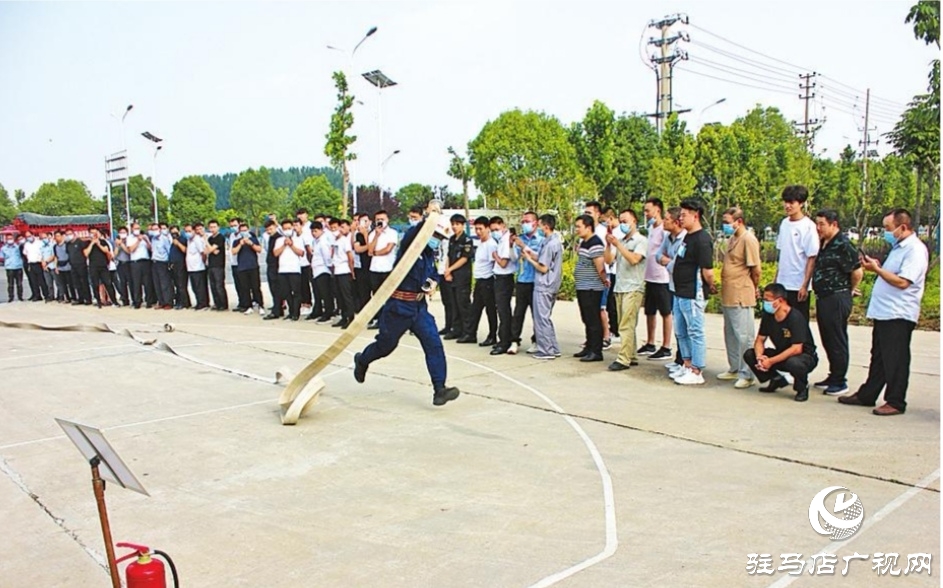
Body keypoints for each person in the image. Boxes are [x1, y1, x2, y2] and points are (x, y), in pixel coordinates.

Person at [352, 214, 460, 407]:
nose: (438, 241)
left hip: (419, 308)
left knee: (433, 344)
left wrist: (432, 283)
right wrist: (430, 218)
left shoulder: (428, 255)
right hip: (398, 308)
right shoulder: (409, 248)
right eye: (436, 235)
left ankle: (439, 389)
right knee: (386, 346)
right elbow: (414, 233)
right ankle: (363, 360)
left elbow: (434, 274)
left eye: (441, 238)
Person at [839, 209, 929, 416]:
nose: (885, 232)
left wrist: (877, 270)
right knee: (879, 356)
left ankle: (896, 401)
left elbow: (903, 281)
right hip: (884, 312)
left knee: (895, 359)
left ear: (902, 227)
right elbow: (893, 274)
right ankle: (867, 394)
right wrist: (878, 266)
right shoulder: (898, 248)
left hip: (898, 313)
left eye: (888, 228)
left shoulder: (914, 250)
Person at [811, 209, 863, 396]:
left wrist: (848, 290)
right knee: (827, 337)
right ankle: (833, 375)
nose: (818, 228)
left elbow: (857, 272)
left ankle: (840, 380)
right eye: (817, 224)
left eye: (822, 224)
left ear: (834, 224)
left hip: (837, 296)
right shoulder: (824, 243)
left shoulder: (843, 244)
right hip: (823, 297)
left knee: (837, 338)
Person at [744, 283, 818, 402]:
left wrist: (771, 361)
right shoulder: (769, 316)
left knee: (794, 362)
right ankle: (776, 379)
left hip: (803, 357)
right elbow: (760, 340)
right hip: (781, 353)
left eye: (767, 300)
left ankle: (802, 388)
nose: (765, 303)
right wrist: (760, 358)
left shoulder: (795, 317)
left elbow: (796, 349)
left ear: (780, 300)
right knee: (749, 354)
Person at [670, 198, 717, 386]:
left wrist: (711, 285)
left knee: (695, 331)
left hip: (693, 291)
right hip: (679, 291)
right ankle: (687, 364)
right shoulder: (688, 237)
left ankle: (697, 370)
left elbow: (708, 270)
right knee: (681, 331)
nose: (680, 218)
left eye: (684, 215)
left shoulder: (703, 240)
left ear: (695, 216)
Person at [717, 207, 762, 389]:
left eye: (728, 222)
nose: (725, 225)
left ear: (739, 221)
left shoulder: (748, 239)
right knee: (731, 334)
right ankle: (734, 367)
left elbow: (756, 270)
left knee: (744, 336)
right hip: (729, 292)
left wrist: (754, 287)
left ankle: (747, 373)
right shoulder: (732, 239)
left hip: (742, 292)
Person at [604, 209, 647, 371]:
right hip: (620, 286)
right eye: (620, 221)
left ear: (634, 221)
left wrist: (618, 245)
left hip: (634, 286)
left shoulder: (641, 240)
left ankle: (623, 358)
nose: (622, 224)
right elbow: (609, 259)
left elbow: (634, 259)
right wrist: (609, 244)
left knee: (626, 324)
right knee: (626, 322)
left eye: (625, 221)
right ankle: (631, 354)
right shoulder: (621, 240)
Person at [522, 214, 563, 360]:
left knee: (541, 318)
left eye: (539, 225)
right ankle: (552, 346)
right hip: (551, 284)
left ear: (546, 226)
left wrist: (528, 260)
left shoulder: (550, 244)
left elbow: (543, 267)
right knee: (545, 317)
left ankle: (546, 350)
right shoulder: (552, 242)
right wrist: (531, 254)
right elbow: (541, 257)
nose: (538, 228)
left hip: (544, 285)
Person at [775, 185, 819, 322]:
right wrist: (776, 280)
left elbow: (812, 257)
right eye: (786, 202)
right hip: (783, 283)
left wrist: (805, 285)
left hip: (797, 284)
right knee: (783, 321)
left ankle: (805, 345)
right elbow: (782, 254)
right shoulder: (784, 224)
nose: (787, 206)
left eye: (791, 203)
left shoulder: (808, 226)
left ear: (801, 204)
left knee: (799, 322)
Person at [640, 197, 674, 360]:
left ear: (657, 210)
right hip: (650, 277)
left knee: (666, 312)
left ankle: (666, 346)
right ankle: (650, 342)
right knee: (649, 311)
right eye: (645, 211)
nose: (646, 214)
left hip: (662, 278)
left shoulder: (664, 229)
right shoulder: (651, 228)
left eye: (648, 210)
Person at [573, 214, 608, 362]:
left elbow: (599, 265)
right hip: (583, 286)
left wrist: (604, 279)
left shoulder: (595, 243)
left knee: (593, 319)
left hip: (592, 288)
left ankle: (596, 350)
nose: (576, 230)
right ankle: (589, 346)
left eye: (579, 227)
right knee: (586, 318)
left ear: (588, 227)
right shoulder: (585, 242)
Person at [457, 216, 497, 345]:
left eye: (480, 229)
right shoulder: (480, 244)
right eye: (476, 229)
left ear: (487, 229)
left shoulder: (491, 244)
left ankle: (492, 336)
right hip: (479, 280)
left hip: (487, 281)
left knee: (490, 310)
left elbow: (494, 264)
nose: (478, 231)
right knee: (475, 309)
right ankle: (471, 334)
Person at [658, 207, 687, 376]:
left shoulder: (685, 239)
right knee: (679, 328)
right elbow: (657, 256)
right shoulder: (668, 238)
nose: (664, 221)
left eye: (667, 219)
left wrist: (667, 262)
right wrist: (669, 262)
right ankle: (679, 359)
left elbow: (679, 265)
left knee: (688, 328)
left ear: (676, 222)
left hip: (685, 288)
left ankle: (688, 363)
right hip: (673, 285)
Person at [509, 211, 543, 354]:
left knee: (537, 314)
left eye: (527, 221)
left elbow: (540, 258)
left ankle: (537, 340)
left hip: (536, 281)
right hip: (522, 280)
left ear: (535, 223)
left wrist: (523, 246)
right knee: (518, 313)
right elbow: (514, 258)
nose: (524, 224)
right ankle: (514, 340)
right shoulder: (520, 238)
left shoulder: (541, 239)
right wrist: (511, 246)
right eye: (523, 222)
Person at [583, 201, 613, 349]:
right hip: (588, 276)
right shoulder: (586, 231)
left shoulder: (603, 232)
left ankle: (606, 335)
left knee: (600, 307)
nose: (586, 215)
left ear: (598, 214)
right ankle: (592, 339)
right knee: (589, 309)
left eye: (589, 213)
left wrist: (604, 276)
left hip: (601, 273)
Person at [268, 218, 305, 321]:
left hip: (294, 269)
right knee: (286, 292)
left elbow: (301, 253)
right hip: (282, 270)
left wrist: (291, 244)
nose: (287, 230)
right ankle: (291, 311)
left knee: (296, 292)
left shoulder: (298, 239)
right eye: (285, 228)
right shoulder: (279, 240)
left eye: (289, 228)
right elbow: (275, 253)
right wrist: (284, 244)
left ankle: (296, 313)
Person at [489, 216, 516, 355]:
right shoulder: (500, 240)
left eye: (496, 229)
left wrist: (495, 256)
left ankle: (504, 341)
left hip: (504, 278)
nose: (494, 232)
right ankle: (505, 339)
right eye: (492, 230)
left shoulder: (506, 240)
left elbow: (504, 263)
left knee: (503, 311)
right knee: (502, 310)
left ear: (503, 226)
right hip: (499, 277)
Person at [443, 214, 473, 340]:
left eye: (457, 224)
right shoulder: (452, 239)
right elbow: (449, 256)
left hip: (462, 276)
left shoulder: (467, 240)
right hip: (452, 276)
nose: (455, 227)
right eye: (453, 224)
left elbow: (464, 258)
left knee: (463, 304)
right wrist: (447, 271)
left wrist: (450, 269)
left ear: (463, 225)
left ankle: (468, 332)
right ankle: (456, 329)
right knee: (453, 303)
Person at [367, 210, 398, 329]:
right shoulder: (372, 234)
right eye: (377, 219)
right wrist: (376, 235)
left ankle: (391, 320)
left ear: (387, 220)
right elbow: (369, 250)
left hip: (388, 268)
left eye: (382, 219)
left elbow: (388, 249)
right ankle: (379, 319)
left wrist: (375, 252)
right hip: (375, 268)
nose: (380, 221)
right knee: (376, 295)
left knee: (389, 295)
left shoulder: (392, 233)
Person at [232, 221, 264, 315]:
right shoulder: (236, 241)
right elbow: (233, 252)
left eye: (245, 230)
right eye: (242, 231)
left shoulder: (253, 239)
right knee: (245, 288)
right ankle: (248, 306)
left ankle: (260, 305)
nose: (244, 232)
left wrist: (251, 244)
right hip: (242, 267)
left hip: (253, 266)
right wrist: (240, 244)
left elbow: (259, 250)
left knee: (256, 287)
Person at [307, 221, 335, 322]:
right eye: (312, 231)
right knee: (318, 293)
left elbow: (327, 256)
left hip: (323, 270)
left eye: (315, 231)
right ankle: (320, 311)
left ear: (321, 230)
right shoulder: (316, 241)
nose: (313, 233)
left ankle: (328, 313)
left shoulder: (323, 242)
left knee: (325, 293)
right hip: (316, 270)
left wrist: (330, 268)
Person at [331, 219, 356, 329]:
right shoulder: (336, 241)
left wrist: (352, 271)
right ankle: (343, 316)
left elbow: (350, 256)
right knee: (339, 296)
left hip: (344, 270)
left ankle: (350, 317)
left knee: (346, 296)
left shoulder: (345, 241)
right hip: (336, 270)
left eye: (340, 227)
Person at [84, 227, 116, 308]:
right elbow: (86, 253)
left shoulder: (103, 242)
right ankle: (98, 301)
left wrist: (98, 243)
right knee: (95, 284)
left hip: (103, 266)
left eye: (95, 233)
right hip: (93, 266)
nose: (94, 235)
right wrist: (92, 243)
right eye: (92, 233)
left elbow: (106, 250)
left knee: (108, 283)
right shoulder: (87, 243)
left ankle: (114, 301)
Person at [262, 220, 285, 320]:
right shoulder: (270, 237)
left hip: (276, 266)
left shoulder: (279, 237)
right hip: (270, 265)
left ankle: (276, 310)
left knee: (276, 289)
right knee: (273, 288)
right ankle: (278, 308)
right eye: (267, 230)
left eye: (271, 229)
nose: (269, 231)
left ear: (275, 227)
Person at [205, 220, 229, 311]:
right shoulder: (210, 239)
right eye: (211, 227)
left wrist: (205, 240)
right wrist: (211, 249)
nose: (212, 229)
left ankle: (223, 304)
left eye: (214, 227)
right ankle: (217, 303)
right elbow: (207, 251)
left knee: (219, 285)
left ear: (218, 227)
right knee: (213, 285)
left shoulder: (220, 237)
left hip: (218, 265)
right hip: (211, 264)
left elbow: (211, 249)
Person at [150, 223, 174, 309]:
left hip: (163, 263)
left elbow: (169, 251)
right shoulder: (153, 239)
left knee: (165, 284)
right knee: (157, 283)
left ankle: (168, 302)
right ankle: (161, 302)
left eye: (156, 229)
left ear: (160, 229)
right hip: (154, 262)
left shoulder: (164, 239)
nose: (154, 231)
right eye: (153, 229)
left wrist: (170, 263)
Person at [186, 222, 210, 310]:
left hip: (198, 267)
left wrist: (203, 262)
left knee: (200, 287)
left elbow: (202, 252)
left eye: (189, 231)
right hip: (191, 267)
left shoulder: (197, 239)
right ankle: (198, 302)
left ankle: (203, 303)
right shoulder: (189, 240)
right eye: (186, 231)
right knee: (194, 287)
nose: (188, 233)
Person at [352, 213, 373, 311]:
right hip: (362, 266)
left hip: (373, 265)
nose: (364, 223)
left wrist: (366, 235)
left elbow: (371, 249)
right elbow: (357, 249)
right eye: (362, 221)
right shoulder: (358, 235)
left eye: (366, 221)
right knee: (363, 292)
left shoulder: (374, 233)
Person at [293, 216, 314, 311]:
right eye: (294, 225)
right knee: (299, 285)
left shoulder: (305, 236)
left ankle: (307, 303)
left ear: (301, 226)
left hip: (305, 263)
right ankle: (302, 302)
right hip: (296, 264)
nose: (295, 227)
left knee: (305, 284)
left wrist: (310, 262)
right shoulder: (293, 237)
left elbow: (308, 250)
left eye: (297, 225)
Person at [66, 228, 91, 305]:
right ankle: (80, 298)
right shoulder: (68, 244)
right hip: (73, 266)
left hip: (81, 265)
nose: (69, 236)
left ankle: (87, 298)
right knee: (76, 283)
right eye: (67, 235)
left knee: (84, 282)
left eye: (70, 234)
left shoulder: (80, 242)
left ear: (74, 234)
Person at [169, 226, 191, 309]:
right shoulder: (172, 242)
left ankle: (184, 303)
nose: (174, 234)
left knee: (181, 285)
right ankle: (178, 301)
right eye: (172, 232)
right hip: (174, 265)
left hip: (181, 265)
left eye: (175, 232)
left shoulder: (182, 239)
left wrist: (178, 243)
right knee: (177, 285)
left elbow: (185, 250)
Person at [229, 217, 248, 312]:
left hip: (242, 263)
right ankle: (241, 302)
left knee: (244, 285)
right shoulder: (232, 235)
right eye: (231, 226)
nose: (233, 227)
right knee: (238, 285)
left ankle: (246, 303)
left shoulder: (244, 235)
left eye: (235, 225)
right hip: (233, 263)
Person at [22, 231, 47, 301]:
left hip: (38, 263)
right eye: (27, 236)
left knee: (42, 281)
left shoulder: (39, 243)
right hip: (31, 264)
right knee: (33, 281)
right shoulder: (26, 244)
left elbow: (43, 252)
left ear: (33, 235)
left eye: (29, 236)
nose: (28, 238)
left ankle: (46, 295)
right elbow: (25, 253)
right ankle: (37, 295)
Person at [2, 233, 24, 302]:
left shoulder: (18, 247)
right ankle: (11, 297)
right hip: (9, 268)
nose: (10, 240)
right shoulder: (3, 248)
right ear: (6, 240)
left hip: (18, 267)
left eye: (11, 238)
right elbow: (2, 257)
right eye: (8, 239)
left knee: (19, 283)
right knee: (10, 284)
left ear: (13, 239)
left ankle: (20, 297)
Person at [113, 227, 132, 306]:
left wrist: (122, 244)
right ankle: (125, 300)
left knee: (131, 282)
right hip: (120, 264)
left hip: (129, 263)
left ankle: (134, 299)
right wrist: (117, 245)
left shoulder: (129, 240)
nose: (122, 234)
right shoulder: (117, 242)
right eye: (121, 232)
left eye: (124, 232)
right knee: (122, 282)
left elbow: (129, 252)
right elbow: (114, 255)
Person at [53, 231, 73, 302]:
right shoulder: (55, 247)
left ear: (62, 236)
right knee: (63, 284)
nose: (57, 238)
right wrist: (56, 267)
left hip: (68, 266)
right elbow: (56, 257)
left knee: (70, 283)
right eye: (56, 236)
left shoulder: (67, 245)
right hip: (60, 267)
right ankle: (66, 297)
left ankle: (73, 297)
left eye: (58, 236)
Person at [40, 233, 57, 302]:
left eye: (45, 237)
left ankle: (60, 295)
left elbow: (54, 255)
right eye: (42, 238)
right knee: (48, 283)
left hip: (52, 266)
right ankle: (51, 296)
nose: (44, 239)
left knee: (58, 282)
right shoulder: (42, 247)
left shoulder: (53, 245)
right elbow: (41, 256)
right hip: (45, 267)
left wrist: (46, 262)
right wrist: (43, 264)